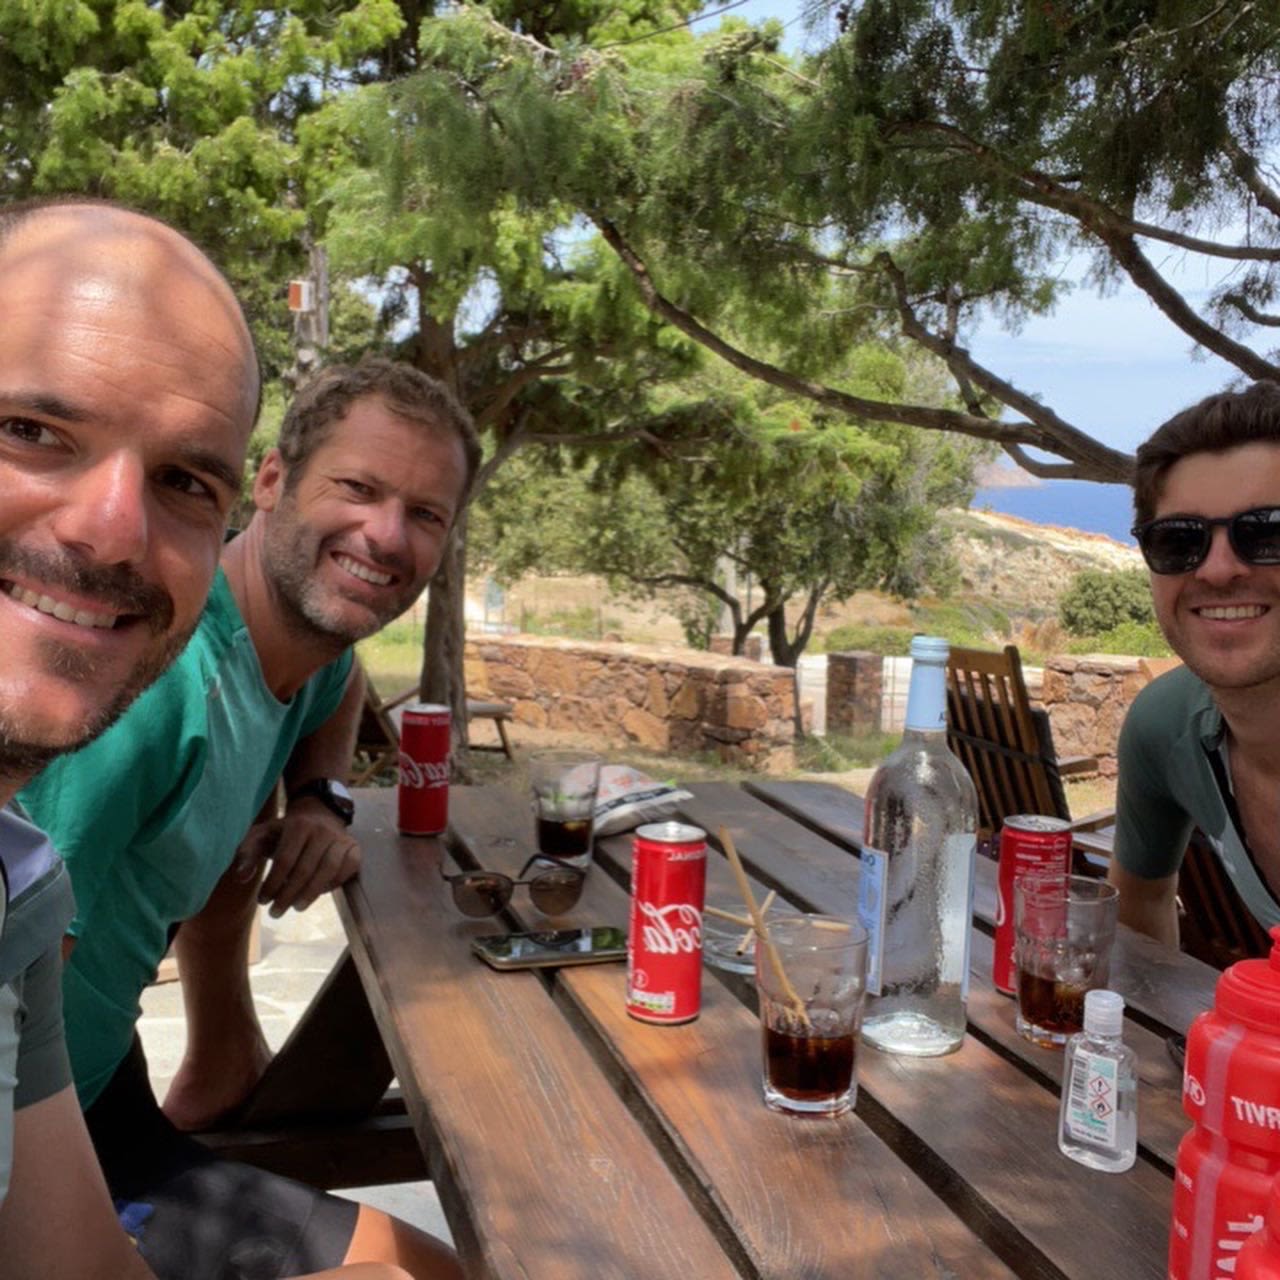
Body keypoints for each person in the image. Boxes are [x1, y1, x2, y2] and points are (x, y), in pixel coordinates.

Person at [0, 198, 410, 1280]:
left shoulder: (14, 879)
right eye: (30, 431)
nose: (111, 529)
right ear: (272, 488)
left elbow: (333, 684)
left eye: (183, 479)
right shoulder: (147, 697)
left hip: (92, 1098)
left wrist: (319, 799)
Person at [1109, 380, 1280, 946]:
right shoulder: (1166, 724)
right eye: (1179, 541)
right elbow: (1141, 902)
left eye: (1268, 532)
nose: (1217, 569)